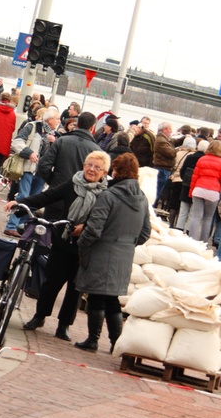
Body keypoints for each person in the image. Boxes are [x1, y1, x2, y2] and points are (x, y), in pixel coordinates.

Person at [14, 151, 110, 339]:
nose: (91, 169)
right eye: (89, 165)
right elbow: (47, 196)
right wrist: (19, 203)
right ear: (83, 166)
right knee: (51, 282)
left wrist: (86, 226)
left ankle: (64, 325)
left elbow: (107, 219)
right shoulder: (72, 185)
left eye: (97, 167)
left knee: (75, 289)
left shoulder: (106, 194)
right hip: (63, 241)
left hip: (85, 247)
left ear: (104, 172)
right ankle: (39, 316)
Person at [74, 153, 152, 352]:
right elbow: (145, 232)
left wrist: (83, 244)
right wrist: (127, 244)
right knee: (111, 298)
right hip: (124, 254)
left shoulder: (109, 195)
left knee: (97, 296)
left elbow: (94, 228)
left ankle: (93, 339)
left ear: (116, 172)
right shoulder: (142, 198)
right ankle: (117, 342)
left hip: (102, 250)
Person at [186, 140, 221, 243]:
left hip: (198, 189)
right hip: (213, 192)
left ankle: (192, 240)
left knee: (196, 216)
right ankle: (204, 242)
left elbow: (195, 177)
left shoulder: (201, 159)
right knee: (208, 218)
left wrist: (191, 191)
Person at [38, 112, 99, 188]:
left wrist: (53, 181)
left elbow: (43, 165)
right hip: (78, 194)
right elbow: (98, 179)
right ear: (92, 127)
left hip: (56, 190)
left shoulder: (62, 141)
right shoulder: (97, 151)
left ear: (77, 124)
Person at [153, 121, 177, 200]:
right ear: (164, 129)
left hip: (163, 169)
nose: (171, 131)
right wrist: (180, 149)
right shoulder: (161, 140)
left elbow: (174, 142)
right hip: (162, 169)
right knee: (156, 192)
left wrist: (184, 138)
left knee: (157, 191)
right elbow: (171, 153)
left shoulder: (164, 139)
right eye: (170, 129)